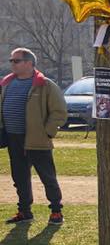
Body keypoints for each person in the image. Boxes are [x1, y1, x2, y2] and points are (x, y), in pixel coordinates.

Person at [0, 47, 66, 224]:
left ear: (29, 63)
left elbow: (59, 112)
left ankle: (56, 211)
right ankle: (24, 211)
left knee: (47, 177)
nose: (12, 64)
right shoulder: (6, 84)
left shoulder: (44, 84)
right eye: (11, 61)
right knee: (19, 177)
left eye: (16, 61)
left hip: (37, 140)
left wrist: (47, 132)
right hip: (14, 139)